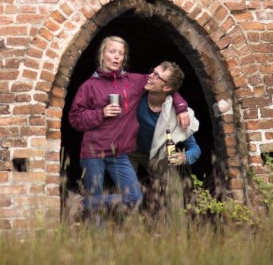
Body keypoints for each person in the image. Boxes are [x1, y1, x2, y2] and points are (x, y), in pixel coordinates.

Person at [67, 36, 190, 219]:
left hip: (120, 154)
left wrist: (181, 108)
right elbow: (75, 119)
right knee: (96, 214)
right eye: (112, 51)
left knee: (133, 199)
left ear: (124, 58)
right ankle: (98, 244)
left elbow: (165, 85)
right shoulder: (89, 86)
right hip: (93, 153)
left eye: (120, 53)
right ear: (103, 54)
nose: (116, 57)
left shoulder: (134, 81)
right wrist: (102, 113)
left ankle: (80, 203)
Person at [128, 60, 201, 217]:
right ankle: (130, 231)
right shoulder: (137, 95)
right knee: (129, 194)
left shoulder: (178, 115)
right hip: (131, 151)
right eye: (152, 71)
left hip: (159, 156)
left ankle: (177, 238)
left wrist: (184, 157)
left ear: (167, 88)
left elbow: (195, 148)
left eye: (156, 76)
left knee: (175, 195)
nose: (150, 76)